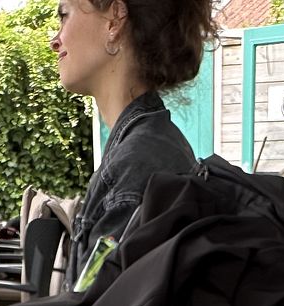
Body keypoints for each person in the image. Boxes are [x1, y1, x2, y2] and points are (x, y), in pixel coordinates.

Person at [51, 0, 216, 289]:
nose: (55, 41)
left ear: (114, 20)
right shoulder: (147, 147)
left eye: (64, 15)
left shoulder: (137, 167)